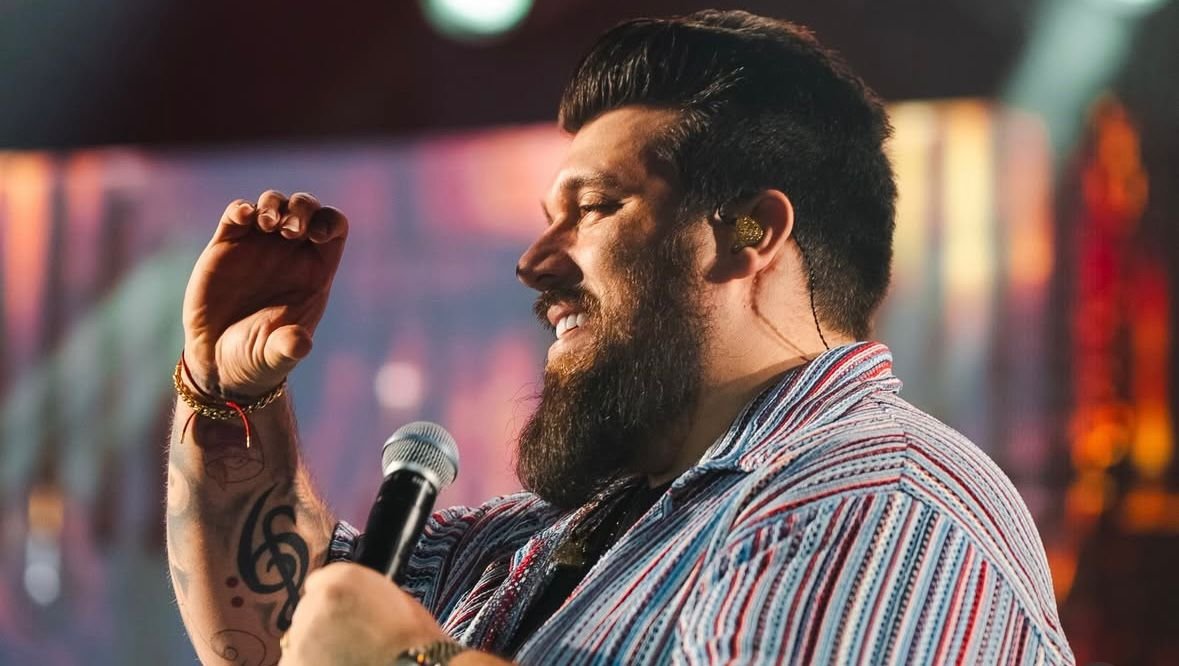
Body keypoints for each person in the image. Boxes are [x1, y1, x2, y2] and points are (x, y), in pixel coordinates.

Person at [166, 10, 1075, 665]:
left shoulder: (874, 502)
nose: (534, 262)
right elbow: (285, 632)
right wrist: (226, 393)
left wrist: (415, 661)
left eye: (594, 208)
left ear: (749, 231)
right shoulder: (568, 530)